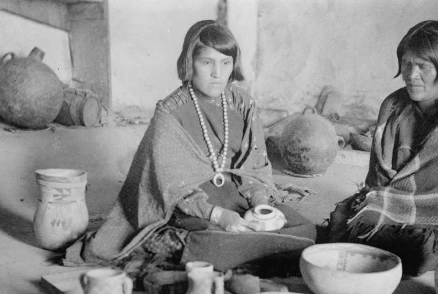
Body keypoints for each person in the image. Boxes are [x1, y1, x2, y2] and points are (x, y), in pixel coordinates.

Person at [65, 20, 316, 279]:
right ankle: (247, 253)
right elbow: (169, 185)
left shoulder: (243, 105)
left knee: (305, 229)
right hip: (193, 205)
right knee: (214, 244)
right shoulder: (170, 112)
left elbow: (254, 168)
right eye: (207, 62)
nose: (218, 73)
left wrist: (262, 209)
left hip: (236, 197)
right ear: (189, 62)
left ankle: (248, 252)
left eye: (225, 63)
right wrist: (218, 216)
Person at [327, 20, 438, 277]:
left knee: (423, 250)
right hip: (398, 207)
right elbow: (377, 184)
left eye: (423, 66)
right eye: (407, 63)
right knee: (342, 219)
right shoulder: (394, 108)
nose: (411, 74)